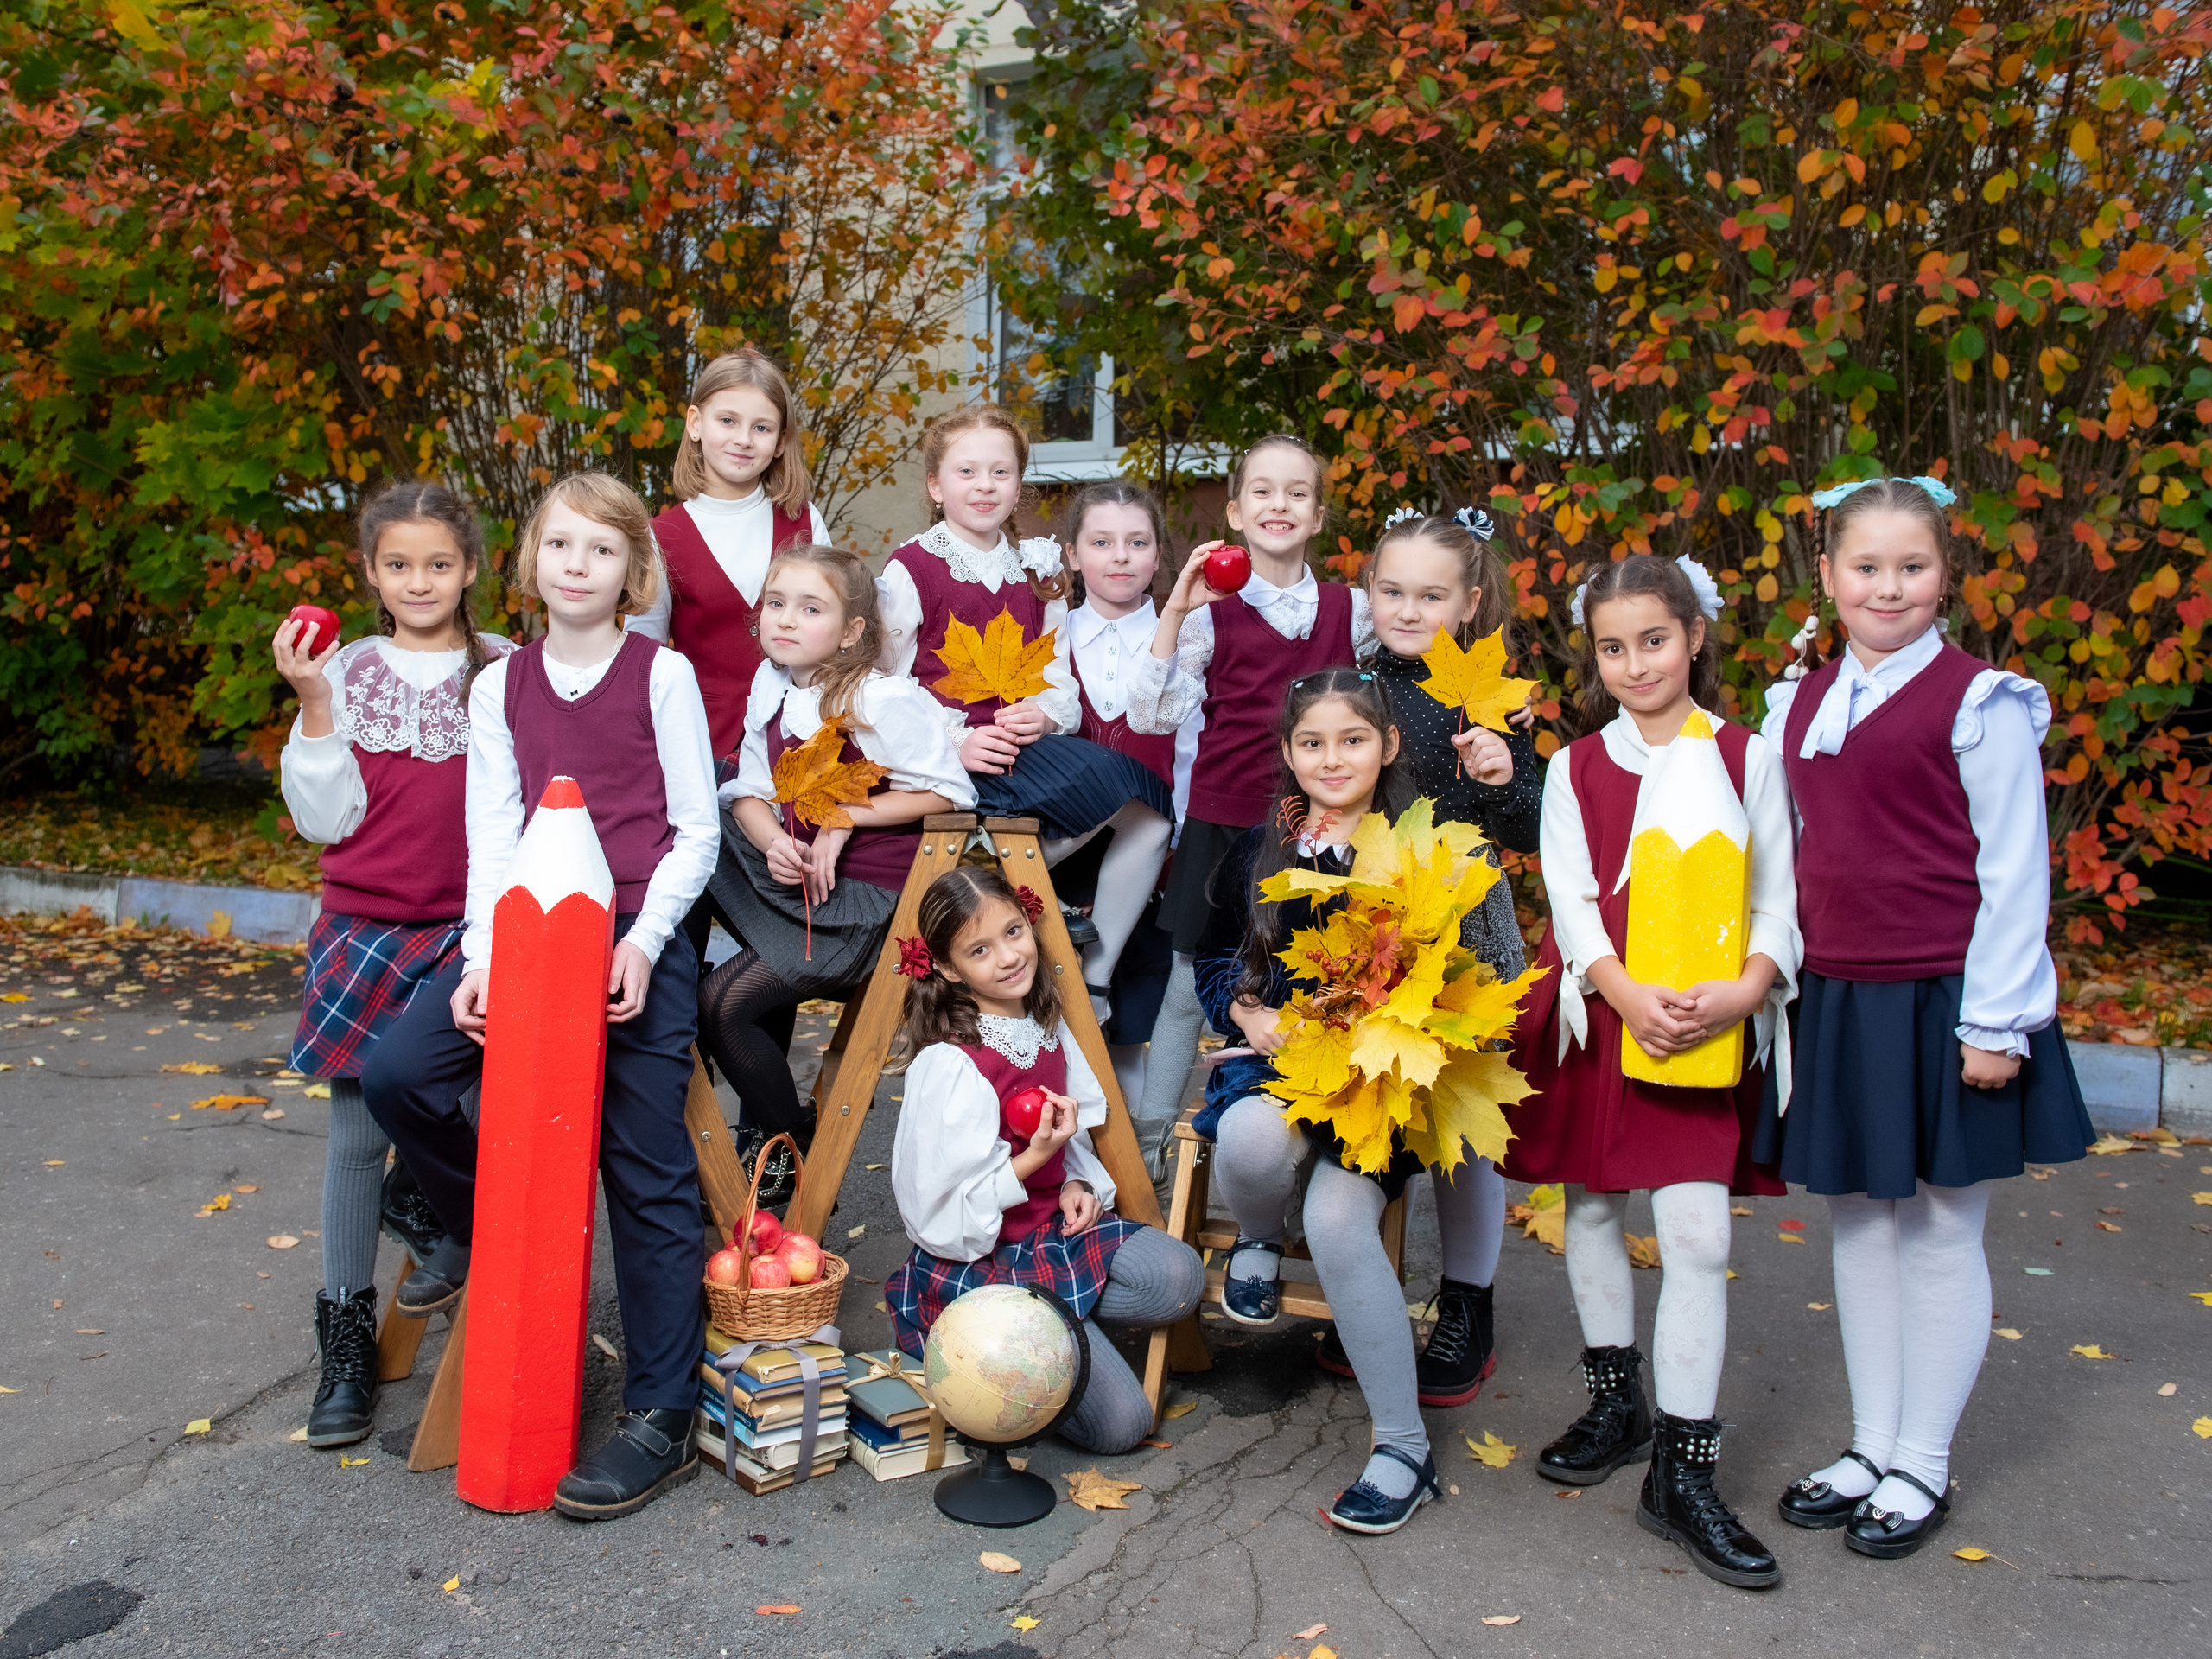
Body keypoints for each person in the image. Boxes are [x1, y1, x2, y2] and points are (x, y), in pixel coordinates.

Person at [361, 470, 720, 1521]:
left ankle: (662, 1413)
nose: (578, 565)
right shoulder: (498, 687)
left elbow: (696, 831)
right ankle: (482, 1222)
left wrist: (644, 943)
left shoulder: (662, 675)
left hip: (632, 935)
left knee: (642, 1166)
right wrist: (481, 959)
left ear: (631, 570)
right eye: (561, 545)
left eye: (602, 550)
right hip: (526, 932)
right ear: (530, 560)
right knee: (401, 1074)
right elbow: (492, 836)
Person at [1752, 474, 2091, 1559]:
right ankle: (1870, 1445)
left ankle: (1922, 1461)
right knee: (1859, 1220)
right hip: (1840, 998)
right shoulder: (1795, 703)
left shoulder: (1981, 701)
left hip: (1949, 997)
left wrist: (1995, 1024)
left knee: (1941, 1230)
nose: (1887, 587)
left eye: (1912, 566)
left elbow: (2014, 870)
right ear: (1827, 576)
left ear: (1945, 575)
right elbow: (1778, 855)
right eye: (1866, 566)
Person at [1503, 551, 1798, 1590]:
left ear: (1695, 637)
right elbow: (1571, 899)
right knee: (1590, 1206)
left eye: (1654, 641)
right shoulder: (1575, 766)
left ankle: (1684, 1471)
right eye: (1612, 648)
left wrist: (1747, 989)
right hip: (1603, 1008)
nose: (1635, 664)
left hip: (1702, 1018)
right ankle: (1614, 1400)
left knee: (1697, 1233)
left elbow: (1776, 898)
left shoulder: (1746, 756)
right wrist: (1621, 992)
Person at [276, 480, 515, 1448]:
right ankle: (346, 1347)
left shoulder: (504, 671)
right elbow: (321, 818)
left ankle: (479, 1308)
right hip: (364, 928)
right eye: (399, 564)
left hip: (470, 933)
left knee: (459, 1112)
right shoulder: (346, 673)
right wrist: (314, 703)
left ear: (470, 569)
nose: (421, 581)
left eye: (440, 563)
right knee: (353, 1137)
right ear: (371, 574)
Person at [1195, 667, 1450, 1534]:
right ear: (1288, 752)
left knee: (1339, 1223)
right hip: (1276, 1067)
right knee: (1249, 1140)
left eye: (1352, 740)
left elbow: (1464, 978)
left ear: (1388, 745)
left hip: (1379, 1079)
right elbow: (1213, 960)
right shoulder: (1262, 847)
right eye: (1312, 743)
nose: (1332, 758)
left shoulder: (1421, 850)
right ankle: (1259, 1236)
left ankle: (1403, 1447)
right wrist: (1244, 1010)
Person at [1310, 507, 1540, 1408]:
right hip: (1370, 925)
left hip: (1466, 929)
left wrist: (1503, 776)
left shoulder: (1491, 696)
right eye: (1392, 591)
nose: (1408, 611)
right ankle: (1365, 1290)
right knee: (1375, 1102)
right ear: (1368, 590)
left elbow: (1534, 823)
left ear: (1470, 601)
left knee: (1463, 1121)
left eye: (1431, 596)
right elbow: (1300, 790)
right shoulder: (1351, 685)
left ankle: (1467, 1305)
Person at [884, 866, 1205, 1455]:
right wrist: (1035, 1160)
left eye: (1013, 932)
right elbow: (940, 1208)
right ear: (949, 969)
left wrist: (1074, 1180)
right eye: (980, 950)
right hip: (984, 1260)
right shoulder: (952, 1064)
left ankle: (1056, 1324)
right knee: (1122, 1426)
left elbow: (1069, 1133)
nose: (1009, 957)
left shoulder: (1045, 1028)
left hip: (1050, 1236)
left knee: (1180, 1278)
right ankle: (1005, 1345)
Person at [876, 405, 1173, 1021]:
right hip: (948, 759)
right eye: (966, 472)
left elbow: (1057, 677)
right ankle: (1002, 880)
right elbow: (884, 686)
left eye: (1001, 472)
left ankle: (1096, 974)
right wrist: (952, 741)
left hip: (1024, 750)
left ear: (1018, 487)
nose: (984, 485)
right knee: (1120, 790)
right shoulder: (911, 569)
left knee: (1150, 810)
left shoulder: (1037, 569)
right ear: (935, 486)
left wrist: (1044, 714)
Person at [697, 543, 971, 1205]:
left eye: (810, 608)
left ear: (852, 632)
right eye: (776, 603)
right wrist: (771, 841)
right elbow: (750, 794)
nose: (786, 618)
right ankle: (667, 980)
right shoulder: (773, 687)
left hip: (860, 908)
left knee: (723, 1005)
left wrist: (844, 816)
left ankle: (793, 1138)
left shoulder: (879, 696)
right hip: (798, 884)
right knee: (702, 809)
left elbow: (950, 793)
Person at [1124, 436, 1371, 1144]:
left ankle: (1319, 1133)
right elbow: (1150, 715)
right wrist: (1175, 609)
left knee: (1328, 979)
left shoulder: (1351, 610)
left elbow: (1406, 687)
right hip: (1224, 820)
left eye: (1297, 492)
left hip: (1324, 829)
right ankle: (1151, 1144)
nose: (1278, 504)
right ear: (1235, 511)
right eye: (1262, 491)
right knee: (1185, 988)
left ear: (1317, 515)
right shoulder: (1208, 614)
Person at [1056, 480, 1198, 1124]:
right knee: (1052, 1026)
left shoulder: (1186, 640)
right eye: (1101, 542)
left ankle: (1133, 1168)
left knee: (1128, 1027)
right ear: (1072, 554)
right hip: (1065, 856)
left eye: (1137, 543)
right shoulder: (1050, 635)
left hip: (1148, 861)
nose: (1120, 556)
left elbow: (1190, 752)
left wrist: (1180, 846)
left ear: (1159, 555)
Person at [629, 348, 830, 760]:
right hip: (706, 743)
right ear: (695, 423)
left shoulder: (804, 521)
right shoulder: (659, 536)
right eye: (727, 421)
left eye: (761, 427)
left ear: (780, 441)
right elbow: (643, 657)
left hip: (805, 736)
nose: (743, 439)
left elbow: (835, 624)